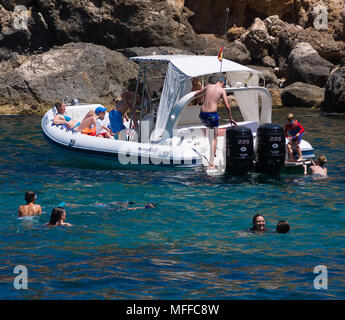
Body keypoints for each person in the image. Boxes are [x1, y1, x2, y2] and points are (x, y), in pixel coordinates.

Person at [193, 77, 236, 168]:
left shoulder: (208, 87)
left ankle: (213, 151)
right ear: (222, 83)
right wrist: (231, 118)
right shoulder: (221, 90)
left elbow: (196, 94)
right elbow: (227, 106)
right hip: (211, 115)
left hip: (202, 115)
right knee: (214, 137)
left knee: (211, 126)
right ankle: (212, 161)